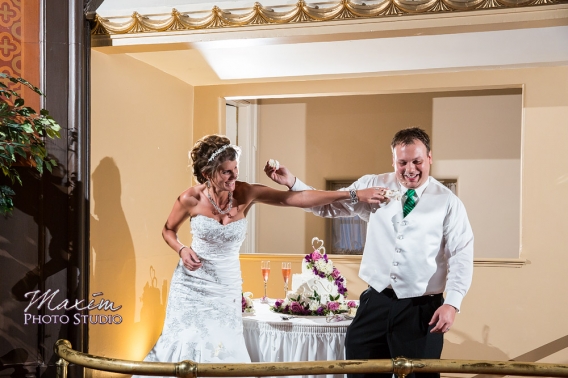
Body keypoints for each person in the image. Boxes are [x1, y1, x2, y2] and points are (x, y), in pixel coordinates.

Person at [136, 134, 383, 370]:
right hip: (191, 287)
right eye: (226, 171)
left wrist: (353, 193)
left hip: (226, 286)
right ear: (207, 174)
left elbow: (300, 198)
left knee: (221, 348)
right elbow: (168, 230)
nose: (235, 176)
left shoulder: (246, 192)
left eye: (236, 168)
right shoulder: (189, 198)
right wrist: (181, 249)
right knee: (185, 343)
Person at [265, 127, 474, 378]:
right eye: (402, 162)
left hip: (421, 308)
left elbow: (460, 254)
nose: (410, 169)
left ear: (429, 158)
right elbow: (328, 207)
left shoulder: (448, 202)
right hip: (376, 301)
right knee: (359, 370)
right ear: (393, 160)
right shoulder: (371, 185)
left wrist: (452, 303)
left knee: (420, 376)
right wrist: (293, 183)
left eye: (417, 161)